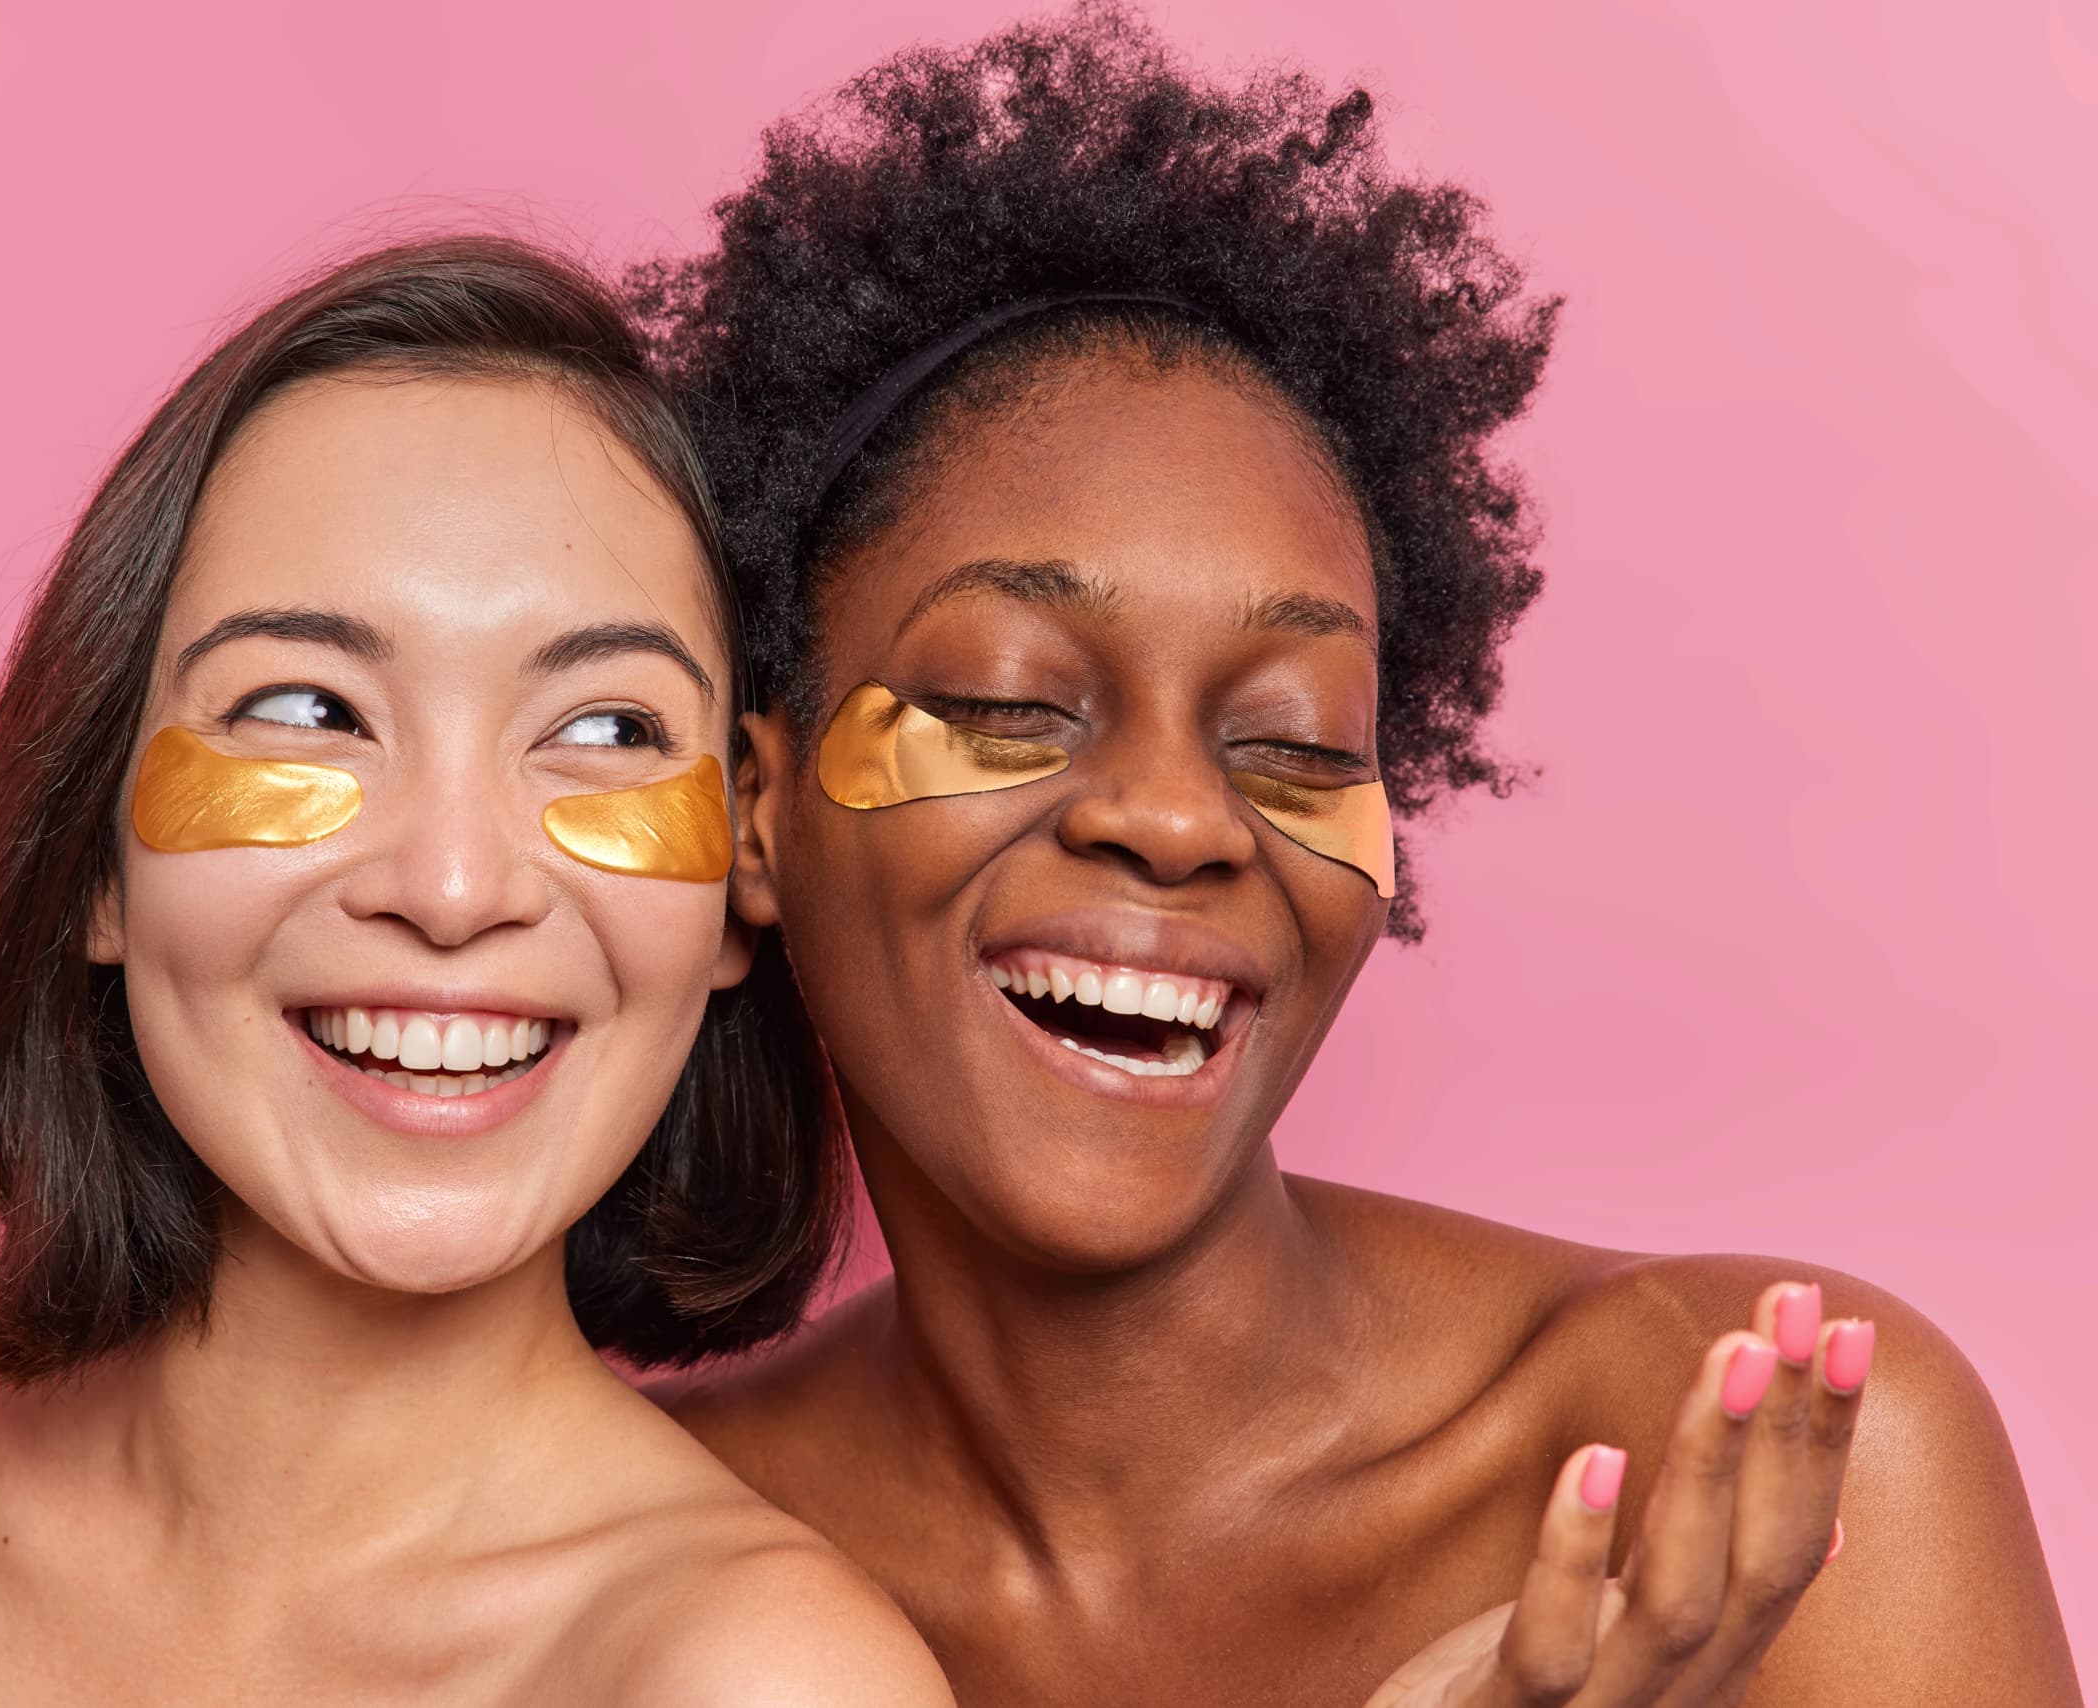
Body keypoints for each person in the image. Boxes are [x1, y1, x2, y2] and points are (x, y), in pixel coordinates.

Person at [631, 11, 2084, 1704]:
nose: (1181, 820)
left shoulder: (1760, 1476)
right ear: (752, 812)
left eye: (1299, 742)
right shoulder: (622, 1577)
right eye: (1013, 702)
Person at [0, 237, 952, 1706]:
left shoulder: (753, 1679)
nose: (453, 889)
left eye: (606, 732)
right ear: (94, 855)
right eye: (308, 707)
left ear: (734, 876)